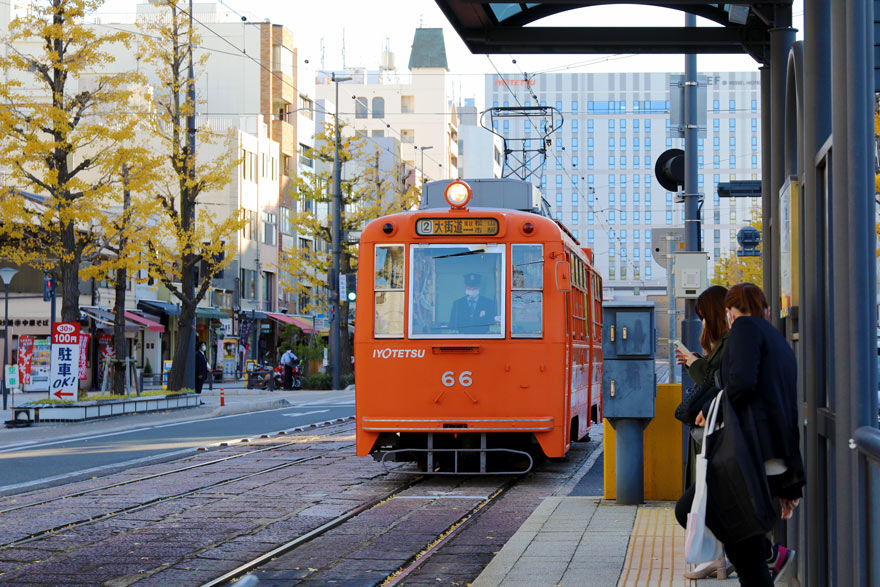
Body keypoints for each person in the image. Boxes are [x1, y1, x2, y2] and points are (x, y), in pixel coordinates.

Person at [678, 283, 804, 586]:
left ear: (729, 312)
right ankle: (769, 554)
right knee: (744, 545)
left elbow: (742, 383)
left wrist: (711, 407)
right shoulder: (777, 339)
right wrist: (792, 480)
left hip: (750, 456)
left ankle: (769, 554)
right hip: (773, 455)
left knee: (693, 512)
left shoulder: (745, 329)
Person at [673, 285, 732, 580]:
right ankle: (719, 558)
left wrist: (696, 364)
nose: (704, 323)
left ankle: (743, 553)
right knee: (699, 502)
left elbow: (718, 381)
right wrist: (695, 361)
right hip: (712, 430)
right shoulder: (725, 341)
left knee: (696, 504)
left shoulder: (732, 341)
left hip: (721, 433)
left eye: (704, 317)